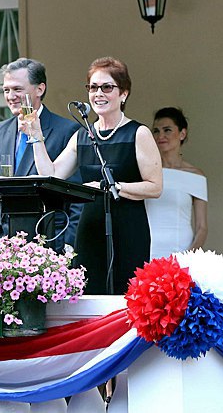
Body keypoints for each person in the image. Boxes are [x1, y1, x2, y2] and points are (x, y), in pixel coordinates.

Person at [19, 56, 162, 295]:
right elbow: (52, 175)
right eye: (93, 87)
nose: (98, 94)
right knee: (90, 293)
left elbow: (155, 187)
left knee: (126, 297)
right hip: (90, 228)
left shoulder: (138, 133)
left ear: (123, 93)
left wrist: (112, 187)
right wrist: (36, 136)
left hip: (128, 228)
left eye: (107, 87)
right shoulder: (82, 136)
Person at [0, 57, 82, 250]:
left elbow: (77, 198)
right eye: (6, 90)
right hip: (4, 240)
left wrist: (68, 244)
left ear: (40, 89)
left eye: (17, 89)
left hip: (49, 240)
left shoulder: (67, 130)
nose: (11, 96)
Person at [146, 107, 208, 259]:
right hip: (147, 249)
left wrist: (188, 256)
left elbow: (202, 227)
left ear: (182, 133)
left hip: (182, 251)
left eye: (167, 130)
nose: (161, 136)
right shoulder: (145, 172)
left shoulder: (195, 175)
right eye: (156, 131)